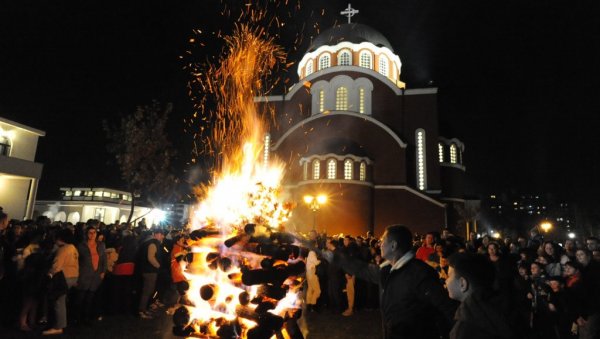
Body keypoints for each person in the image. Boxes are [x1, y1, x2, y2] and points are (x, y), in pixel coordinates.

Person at [337, 225, 456, 339]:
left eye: (383, 240)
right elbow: (363, 269)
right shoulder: (387, 270)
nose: (380, 244)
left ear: (393, 245)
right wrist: (335, 257)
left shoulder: (420, 273)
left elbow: (445, 309)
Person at [445, 252, 514, 339]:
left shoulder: (465, 330)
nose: (446, 281)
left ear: (463, 284)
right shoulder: (505, 307)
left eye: (448, 276)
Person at [43, 229, 79, 335]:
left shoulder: (63, 249)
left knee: (59, 302)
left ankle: (59, 326)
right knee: (62, 301)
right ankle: (60, 323)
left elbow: (56, 265)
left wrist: (49, 274)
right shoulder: (73, 248)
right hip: (73, 276)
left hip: (63, 277)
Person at [75, 226, 107, 325]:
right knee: (80, 297)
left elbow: (104, 259)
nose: (92, 235)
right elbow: (77, 261)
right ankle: (77, 317)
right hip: (84, 274)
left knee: (90, 298)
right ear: (86, 234)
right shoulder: (81, 246)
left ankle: (86, 318)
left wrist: (103, 271)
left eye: (94, 233)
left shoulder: (101, 245)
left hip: (95, 275)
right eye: (90, 232)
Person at [137, 228, 165, 319]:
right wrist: (158, 266)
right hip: (150, 271)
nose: (162, 236)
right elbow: (151, 257)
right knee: (147, 291)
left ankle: (144, 309)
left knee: (148, 291)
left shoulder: (149, 242)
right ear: (156, 234)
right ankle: (141, 311)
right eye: (161, 234)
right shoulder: (152, 243)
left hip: (148, 270)